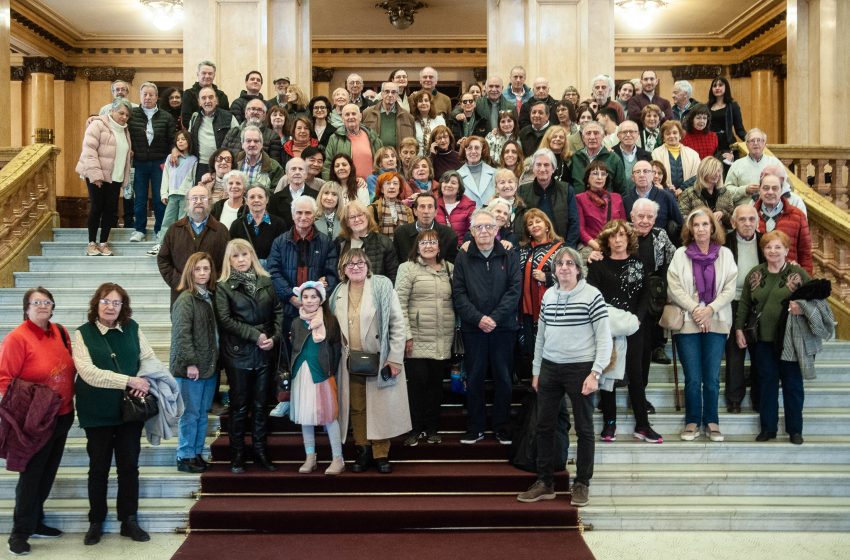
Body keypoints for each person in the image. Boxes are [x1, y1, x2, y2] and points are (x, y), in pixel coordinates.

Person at [516, 247, 611, 507]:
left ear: (579, 268)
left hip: (581, 369)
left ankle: (582, 483)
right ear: (554, 269)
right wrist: (536, 370)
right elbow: (541, 337)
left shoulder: (593, 296)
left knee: (584, 429)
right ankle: (545, 482)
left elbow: (604, 339)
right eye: (560, 264)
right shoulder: (548, 295)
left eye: (570, 263)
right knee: (544, 426)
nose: (564, 267)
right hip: (550, 367)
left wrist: (596, 372)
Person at [72, 283, 159, 545]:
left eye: (116, 302)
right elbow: (88, 373)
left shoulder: (132, 328)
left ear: (123, 306)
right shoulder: (82, 334)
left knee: (129, 467)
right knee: (98, 468)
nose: (110, 306)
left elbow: (148, 358)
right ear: (96, 304)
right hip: (96, 411)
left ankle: (129, 519)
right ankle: (96, 521)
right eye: (105, 301)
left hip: (128, 412)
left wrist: (142, 378)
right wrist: (128, 380)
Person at [0, 288, 75, 555]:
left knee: (46, 473)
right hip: (35, 421)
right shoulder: (17, 339)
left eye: (47, 302)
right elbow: (5, 381)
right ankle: (19, 532)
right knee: (31, 476)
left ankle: (36, 521)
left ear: (53, 306)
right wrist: (28, 408)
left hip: (63, 415)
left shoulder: (60, 332)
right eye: (37, 302)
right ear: (26, 307)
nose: (43, 306)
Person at [329, 248, 411, 473]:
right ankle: (363, 451)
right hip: (350, 361)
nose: (355, 267)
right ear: (343, 269)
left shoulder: (382, 286)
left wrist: (394, 359)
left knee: (380, 407)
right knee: (356, 408)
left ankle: (381, 454)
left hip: (380, 358)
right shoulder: (338, 291)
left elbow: (397, 324)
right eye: (350, 264)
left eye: (360, 263)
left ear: (367, 266)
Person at [587, 220, 663, 444]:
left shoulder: (639, 263)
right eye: (613, 236)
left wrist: (638, 320)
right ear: (607, 240)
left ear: (628, 238)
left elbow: (645, 295)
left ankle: (643, 425)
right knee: (608, 376)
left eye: (622, 235)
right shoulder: (598, 264)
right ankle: (609, 424)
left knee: (636, 376)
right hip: (607, 327)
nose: (618, 240)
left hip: (634, 327)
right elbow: (592, 296)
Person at [667, 209, 737, 442]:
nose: (700, 229)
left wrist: (710, 310)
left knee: (713, 377)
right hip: (688, 323)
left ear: (712, 227)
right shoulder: (680, 254)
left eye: (705, 224)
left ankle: (712, 421)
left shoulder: (725, 254)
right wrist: (697, 310)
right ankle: (692, 421)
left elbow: (729, 288)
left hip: (716, 321)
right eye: (696, 225)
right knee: (693, 378)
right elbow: (674, 287)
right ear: (690, 229)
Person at [735, 230, 811, 444]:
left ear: (787, 250)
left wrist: (802, 307)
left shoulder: (798, 274)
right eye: (768, 247)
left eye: (778, 247)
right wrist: (739, 329)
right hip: (762, 340)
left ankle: (795, 430)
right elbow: (744, 304)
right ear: (763, 251)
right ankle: (768, 428)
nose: (773, 251)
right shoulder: (755, 273)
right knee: (766, 383)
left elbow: (816, 299)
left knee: (792, 384)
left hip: (791, 341)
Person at [453, 209, 521, 445]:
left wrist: (495, 318)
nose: (483, 231)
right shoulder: (463, 256)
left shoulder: (509, 254)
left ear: (496, 230)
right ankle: (476, 427)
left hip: (504, 329)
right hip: (474, 329)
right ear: (471, 232)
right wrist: (479, 318)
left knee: (503, 378)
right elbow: (459, 294)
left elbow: (515, 290)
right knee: (475, 378)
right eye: (478, 227)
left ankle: (502, 427)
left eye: (488, 227)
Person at [215, 239, 284, 473]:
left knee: (261, 404)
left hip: (265, 350)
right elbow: (225, 320)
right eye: (236, 256)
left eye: (245, 254)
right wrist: (255, 336)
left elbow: (278, 311)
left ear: (252, 255)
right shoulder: (224, 286)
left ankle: (260, 452)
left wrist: (273, 338)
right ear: (229, 260)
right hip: (238, 353)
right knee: (240, 406)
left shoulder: (266, 281)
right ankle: (237, 455)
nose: (241, 259)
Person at [395, 230, 455, 446]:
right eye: (424, 242)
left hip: (442, 336)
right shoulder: (407, 268)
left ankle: (431, 429)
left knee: (436, 386)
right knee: (417, 385)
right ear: (417, 247)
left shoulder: (449, 268)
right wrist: (406, 335)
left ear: (439, 247)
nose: (429, 246)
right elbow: (399, 303)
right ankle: (414, 429)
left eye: (433, 242)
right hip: (417, 337)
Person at [289, 281, 345, 475]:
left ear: (321, 299)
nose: (309, 300)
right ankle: (310, 456)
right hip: (302, 374)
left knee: (329, 416)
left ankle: (338, 458)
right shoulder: (296, 323)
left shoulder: (330, 321)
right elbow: (293, 347)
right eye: (305, 297)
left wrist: (330, 370)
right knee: (306, 416)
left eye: (314, 296)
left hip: (321, 373)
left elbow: (336, 348)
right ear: (300, 299)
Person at [266, 195, 339, 343]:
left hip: (317, 311)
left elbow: (332, 275)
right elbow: (274, 273)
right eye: (299, 213)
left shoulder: (326, 243)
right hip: (287, 309)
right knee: (289, 352)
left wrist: (314, 300)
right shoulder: (279, 242)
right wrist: (291, 297)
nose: (303, 217)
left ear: (314, 215)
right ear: (293, 215)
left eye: (308, 213)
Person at [170, 253, 218, 474]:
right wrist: (190, 363)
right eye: (197, 269)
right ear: (190, 271)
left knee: (201, 413)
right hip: (192, 368)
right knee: (190, 413)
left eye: (206, 269)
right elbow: (181, 335)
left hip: (208, 366)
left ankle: (196, 453)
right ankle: (185, 455)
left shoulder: (208, 296)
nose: (202, 273)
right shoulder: (186, 299)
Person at [75, 98, 132, 257]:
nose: (124, 117)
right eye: (121, 113)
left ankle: (103, 243)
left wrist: (124, 178)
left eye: (127, 115)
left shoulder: (125, 130)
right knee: (96, 207)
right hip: (98, 174)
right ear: (111, 111)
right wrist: (95, 175)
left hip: (116, 177)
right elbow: (89, 151)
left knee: (110, 210)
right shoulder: (97, 125)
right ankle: (91, 243)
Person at [158, 184, 231, 305]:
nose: (199, 201)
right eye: (194, 198)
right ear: (187, 202)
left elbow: (227, 263)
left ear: (210, 202)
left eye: (203, 198)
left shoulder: (221, 230)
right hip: (181, 296)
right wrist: (181, 282)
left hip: (213, 296)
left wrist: (212, 282)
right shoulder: (174, 229)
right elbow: (163, 260)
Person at [724, 204, 764, 414]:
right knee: (734, 351)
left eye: (751, 219)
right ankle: (734, 399)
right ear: (733, 222)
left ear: (757, 221)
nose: (748, 224)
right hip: (733, 301)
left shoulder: (765, 242)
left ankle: (758, 399)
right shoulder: (725, 242)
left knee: (759, 353)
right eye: (742, 219)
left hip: (759, 305)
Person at [516, 210, 563, 378]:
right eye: (530, 224)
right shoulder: (522, 250)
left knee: (547, 352)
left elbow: (575, 277)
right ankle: (532, 393)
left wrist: (548, 277)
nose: (534, 226)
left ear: (547, 225)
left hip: (550, 312)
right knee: (528, 351)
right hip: (525, 311)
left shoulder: (561, 249)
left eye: (538, 222)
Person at [128, 82, 176, 245]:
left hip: (160, 163)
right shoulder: (131, 115)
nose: (147, 97)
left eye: (151, 94)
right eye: (144, 94)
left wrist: (172, 155)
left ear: (157, 97)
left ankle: (159, 230)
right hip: (139, 162)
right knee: (140, 198)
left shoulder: (166, 116)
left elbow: (172, 140)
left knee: (159, 197)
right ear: (140, 97)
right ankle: (139, 230)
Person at [519, 148, 580, 247]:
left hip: (562, 245)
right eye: (538, 165)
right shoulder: (522, 191)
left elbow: (574, 222)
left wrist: (567, 248)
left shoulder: (567, 190)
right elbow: (519, 224)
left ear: (553, 168)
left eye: (546, 165)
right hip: (531, 246)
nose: (542, 169)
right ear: (533, 168)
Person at [753, 173, 812, 274]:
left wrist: (805, 279)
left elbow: (805, 253)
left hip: (788, 280)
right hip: (758, 280)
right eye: (766, 188)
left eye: (775, 188)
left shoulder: (797, 216)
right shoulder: (750, 217)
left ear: (781, 190)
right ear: (760, 190)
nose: (770, 192)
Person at [155, 130, 198, 255]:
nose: (180, 141)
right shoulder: (170, 157)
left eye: (183, 139)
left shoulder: (194, 160)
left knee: (183, 221)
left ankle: (180, 245)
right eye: (178, 139)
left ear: (189, 142)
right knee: (167, 221)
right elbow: (166, 176)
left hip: (186, 196)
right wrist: (164, 193)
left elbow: (194, 179)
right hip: (172, 195)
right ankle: (162, 244)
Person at [337, 200, 399, 283]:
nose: (357, 219)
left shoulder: (384, 242)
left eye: (360, 215)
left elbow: (393, 276)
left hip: (376, 292)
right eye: (352, 217)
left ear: (367, 217)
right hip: (345, 291)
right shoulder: (339, 242)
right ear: (347, 223)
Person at [186, 86, 238, 182]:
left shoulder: (228, 117)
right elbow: (188, 140)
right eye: (203, 98)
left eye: (211, 97)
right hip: (201, 165)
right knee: (202, 194)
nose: (207, 101)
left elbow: (238, 140)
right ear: (199, 102)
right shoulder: (194, 118)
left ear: (216, 100)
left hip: (222, 165)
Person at [228, 185, 288, 266]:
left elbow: (283, 252)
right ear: (246, 200)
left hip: (271, 272)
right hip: (244, 273)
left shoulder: (279, 224)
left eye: (260, 197)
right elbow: (231, 252)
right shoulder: (237, 225)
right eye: (252, 197)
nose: (256, 200)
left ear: (267, 200)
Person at [322, 104, 383, 180]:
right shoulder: (335, 138)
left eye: (354, 114)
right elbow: (328, 165)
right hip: (346, 185)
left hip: (371, 186)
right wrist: (329, 186)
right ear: (342, 118)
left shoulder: (372, 136)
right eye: (347, 115)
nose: (351, 117)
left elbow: (381, 162)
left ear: (360, 117)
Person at [393, 192, 459, 263]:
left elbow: (452, 265)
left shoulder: (448, 235)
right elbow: (396, 262)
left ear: (436, 212)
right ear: (415, 211)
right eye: (422, 207)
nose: (426, 211)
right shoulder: (401, 233)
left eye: (430, 207)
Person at [576, 161, 627, 253]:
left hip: (615, 245)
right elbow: (580, 229)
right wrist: (596, 245)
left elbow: (624, 225)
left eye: (603, 174)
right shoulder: (580, 198)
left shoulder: (616, 197)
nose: (599, 177)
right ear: (588, 177)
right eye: (595, 173)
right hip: (592, 246)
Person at [623, 161, 681, 238]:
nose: (642, 175)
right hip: (634, 246)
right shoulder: (625, 200)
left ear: (652, 175)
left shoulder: (666, 196)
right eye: (637, 172)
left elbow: (680, 223)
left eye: (646, 171)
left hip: (660, 245)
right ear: (632, 178)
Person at [725, 128, 782, 206]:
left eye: (759, 140)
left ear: (764, 143)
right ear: (747, 144)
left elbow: (786, 187)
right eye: (752, 140)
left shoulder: (775, 163)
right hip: (744, 212)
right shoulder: (737, 165)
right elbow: (726, 193)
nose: (755, 143)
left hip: (770, 210)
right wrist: (744, 190)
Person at [678, 156, 735, 229]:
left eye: (718, 171)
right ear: (703, 172)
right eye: (713, 171)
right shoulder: (689, 193)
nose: (717, 174)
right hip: (697, 234)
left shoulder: (726, 192)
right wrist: (703, 221)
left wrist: (723, 214)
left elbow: (733, 220)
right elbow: (683, 218)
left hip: (721, 235)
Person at [362, 81, 416, 150]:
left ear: (397, 95)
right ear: (381, 94)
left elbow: (413, 142)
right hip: (375, 158)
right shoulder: (367, 113)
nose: (390, 95)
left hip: (398, 158)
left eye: (393, 92)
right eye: (387, 92)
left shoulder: (408, 117)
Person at [651, 120, 700, 193]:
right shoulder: (655, 153)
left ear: (680, 135)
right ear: (663, 137)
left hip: (688, 194)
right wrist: (667, 188)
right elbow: (653, 175)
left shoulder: (693, 154)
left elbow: (699, 175)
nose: (671, 136)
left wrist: (682, 189)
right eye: (668, 133)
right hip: (663, 193)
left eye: (675, 133)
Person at [707, 76, 747, 166]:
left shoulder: (733, 106)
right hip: (711, 144)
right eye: (714, 86)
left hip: (728, 145)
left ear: (726, 87)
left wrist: (751, 140)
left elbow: (740, 129)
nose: (717, 88)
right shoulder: (706, 107)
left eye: (720, 85)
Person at [181, 60, 229, 127]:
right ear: (198, 74)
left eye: (210, 73)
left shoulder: (221, 96)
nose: (207, 76)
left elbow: (226, 118)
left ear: (214, 75)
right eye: (203, 73)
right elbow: (186, 120)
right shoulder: (189, 94)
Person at [435, 169, 476, 244]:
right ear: (441, 185)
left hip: (461, 249)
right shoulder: (433, 205)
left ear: (459, 188)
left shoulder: (469, 207)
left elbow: (473, 231)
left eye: (453, 183)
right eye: (446, 182)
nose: (449, 185)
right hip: (437, 248)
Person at [369, 171, 414, 238]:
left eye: (395, 183)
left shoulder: (407, 210)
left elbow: (411, 234)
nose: (392, 187)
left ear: (399, 188)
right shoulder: (372, 209)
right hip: (382, 247)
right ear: (381, 189)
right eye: (388, 183)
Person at [457, 136, 496, 208]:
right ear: (465, 151)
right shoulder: (456, 176)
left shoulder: (495, 173)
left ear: (482, 150)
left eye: (477, 148)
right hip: (468, 218)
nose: (473, 151)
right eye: (469, 148)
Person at [410, 90, 447, 156]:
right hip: (419, 158)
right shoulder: (412, 121)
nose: (423, 103)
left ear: (430, 103)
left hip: (438, 156)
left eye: (426, 100)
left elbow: (445, 140)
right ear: (416, 105)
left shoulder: (440, 120)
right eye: (420, 101)